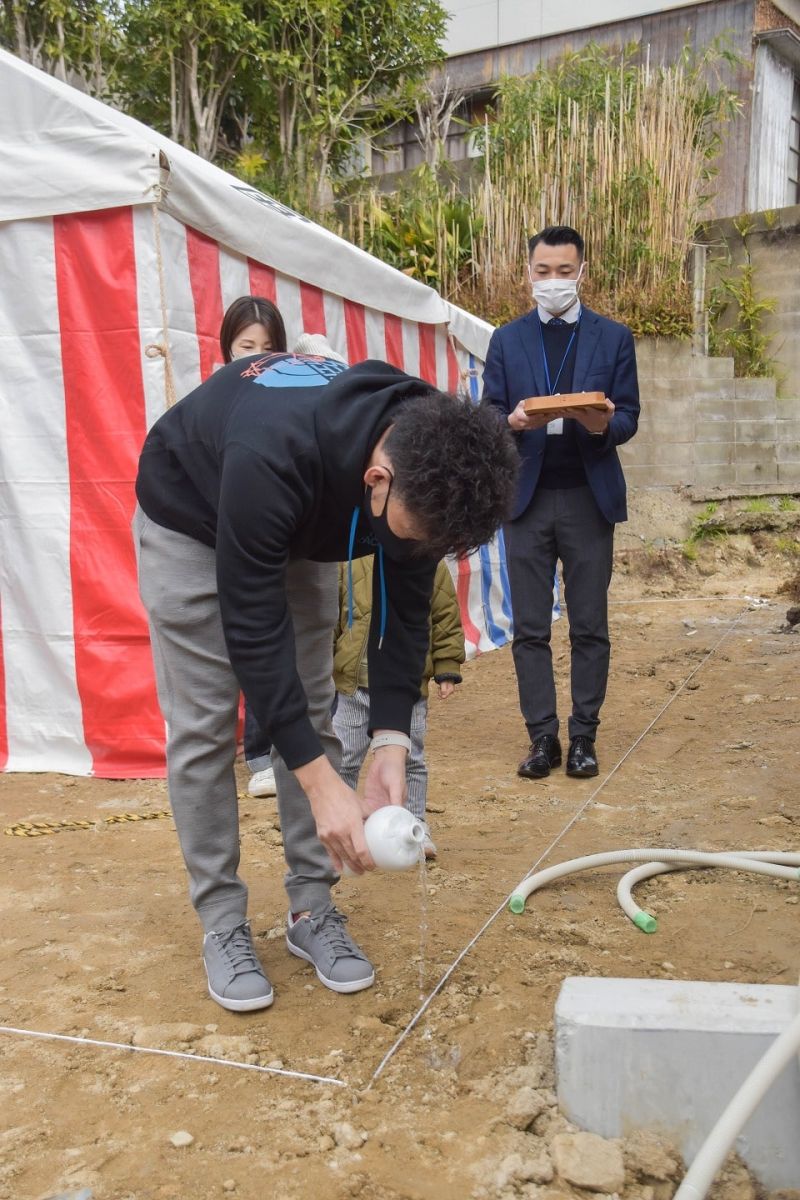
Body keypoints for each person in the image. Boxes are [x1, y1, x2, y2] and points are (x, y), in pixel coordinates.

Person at [134, 350, 517, 1012]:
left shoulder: (430, 445)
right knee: (203, 725)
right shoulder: (271, 454)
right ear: (376, 480)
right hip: (193, 517)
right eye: (407, 535)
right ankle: (223, 923)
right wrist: (321, 785)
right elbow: (254, 635)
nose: (412, 552)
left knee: (310, 711)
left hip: (303, 519)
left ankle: (311, 909)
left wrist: (392, 736)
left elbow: (404, 601)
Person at [482, 224, 639, 782]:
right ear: (528, 274)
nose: (553, 281)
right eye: (543, 272)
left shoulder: (612, 337)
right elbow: (488, 416)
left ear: (582, 272)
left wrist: (601, 425)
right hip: (525, 500)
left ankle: (584, 737)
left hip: (588, 498)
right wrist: (511, 422)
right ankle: (542, 737)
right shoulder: (507, 340)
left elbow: (629, 418)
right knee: (529, 628)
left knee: (589, 625)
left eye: (564, 271)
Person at [332, 557, 464, 856]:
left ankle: (414, 826)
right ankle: (346, 825)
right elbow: (332, 617)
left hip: (409, 688)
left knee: (411, 760)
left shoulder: (431, 562)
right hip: (354, 687)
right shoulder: (347, 560)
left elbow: (445, 617)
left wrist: (446, 665)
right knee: (343, 760)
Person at [218, 296, 289, 800]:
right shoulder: (211, 400)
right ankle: (258, 755)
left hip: (280, 542)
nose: (256, 357)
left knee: (283, 646)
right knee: (248, 648)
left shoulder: (291, 401)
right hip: (228, 544)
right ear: (227, 351)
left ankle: (284, 752)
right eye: (247, 347)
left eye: (268, 348)